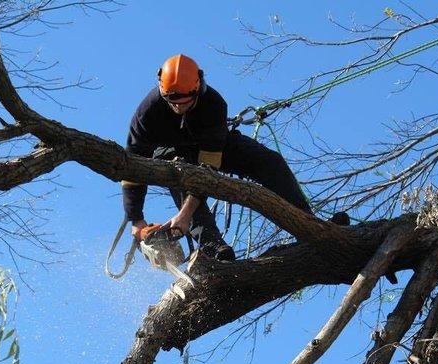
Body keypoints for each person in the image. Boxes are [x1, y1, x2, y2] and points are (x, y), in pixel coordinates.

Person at [122, 54, 346, 262]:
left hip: (213, 147)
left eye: (183, 102)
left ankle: (310, 226)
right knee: (180, 171)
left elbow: (207, 171)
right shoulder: (147, 113)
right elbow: (132, 165)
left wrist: (184, 216)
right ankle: (212, 245)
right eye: (171, 102)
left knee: (270, 162)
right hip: (171, 154)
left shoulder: (213, 104)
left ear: (197, 88)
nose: (177, 107)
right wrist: (136, 219)